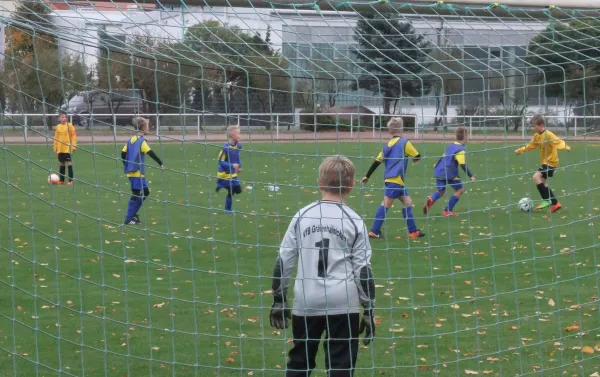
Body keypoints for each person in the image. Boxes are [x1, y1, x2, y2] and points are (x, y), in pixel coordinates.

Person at [269, 156, 376, 377]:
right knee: (341, 365)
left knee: (300, 361)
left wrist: (279, 299)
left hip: (307, 300)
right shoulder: (354, 221)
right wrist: (369, 309)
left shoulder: (302, 216)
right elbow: (363, 271)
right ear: (352, 186)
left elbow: (283, 261)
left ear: (319, 182)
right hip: (343, 302)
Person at [361, 117, 425, 239]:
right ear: (402, 129)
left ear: (390, 131)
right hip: (395, 180)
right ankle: (374, 231)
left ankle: (413, 231)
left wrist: (367, 176)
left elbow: (377, 161)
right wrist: (414, 159)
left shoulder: (387, 146)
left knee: (408, 202)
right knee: (386, 204)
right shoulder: (404, 142)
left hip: (394, 180)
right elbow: (417, 155)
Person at [515, 114, 570, 213]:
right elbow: (531, 145)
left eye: (534, 126)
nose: (533, 128)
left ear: (541, 125)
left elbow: (558, 141)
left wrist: (566, 147)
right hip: (546, 162)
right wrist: (521, 150)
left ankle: (546, 200)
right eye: (532, 126)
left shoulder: (548, 134)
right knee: (543, 182)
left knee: (536, 177)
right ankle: (555, 204)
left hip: (551, 161)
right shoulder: (537, 136)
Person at [424, 127, 476, 216]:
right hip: (450, 173)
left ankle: (431, 199)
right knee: (459, 190)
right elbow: (462, 164)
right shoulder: (460, 149)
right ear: (466, 136)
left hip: (440, 170)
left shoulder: (451, 145)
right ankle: (447, 210)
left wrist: (436, 164)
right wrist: (471, 176)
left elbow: (443, 156)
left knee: (441, 191)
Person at [121, 117, 164, 225]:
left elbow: (123, 153)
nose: (148, 128)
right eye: (147, 126)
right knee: (136, 193)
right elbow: (150, 153)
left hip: (132, 172)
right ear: (143, 128)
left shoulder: (130, 140)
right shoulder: (141, 141)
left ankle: (133, 214)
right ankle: (129, 218)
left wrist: (127, 165)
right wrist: (160, 163)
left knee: (146, 192)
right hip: (137, 172)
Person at [216, 125, 242, 212]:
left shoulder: (238, 145)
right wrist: (232, 165)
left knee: (238, 190)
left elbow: (237, 157)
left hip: (233, 173)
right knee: (231, 190)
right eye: (238, 134)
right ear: (232, 135)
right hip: (224, 174)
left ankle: (221, 185)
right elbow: (220, 162)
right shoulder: (225, 148)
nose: (240, 135)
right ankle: (228, 210)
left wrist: (239, 166)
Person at [53, 113, 77, 185]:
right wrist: (55, 147)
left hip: (67, 148)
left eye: (65, 117)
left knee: (69, 163)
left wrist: (73, 145)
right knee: (62, 163)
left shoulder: (70, 125)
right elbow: (56, 138)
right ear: (59, 119)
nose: (64, 118)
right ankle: (62, 180)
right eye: (62, 117)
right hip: (60, 148)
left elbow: (73, 136)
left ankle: (70, 180)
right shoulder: (58, 127)